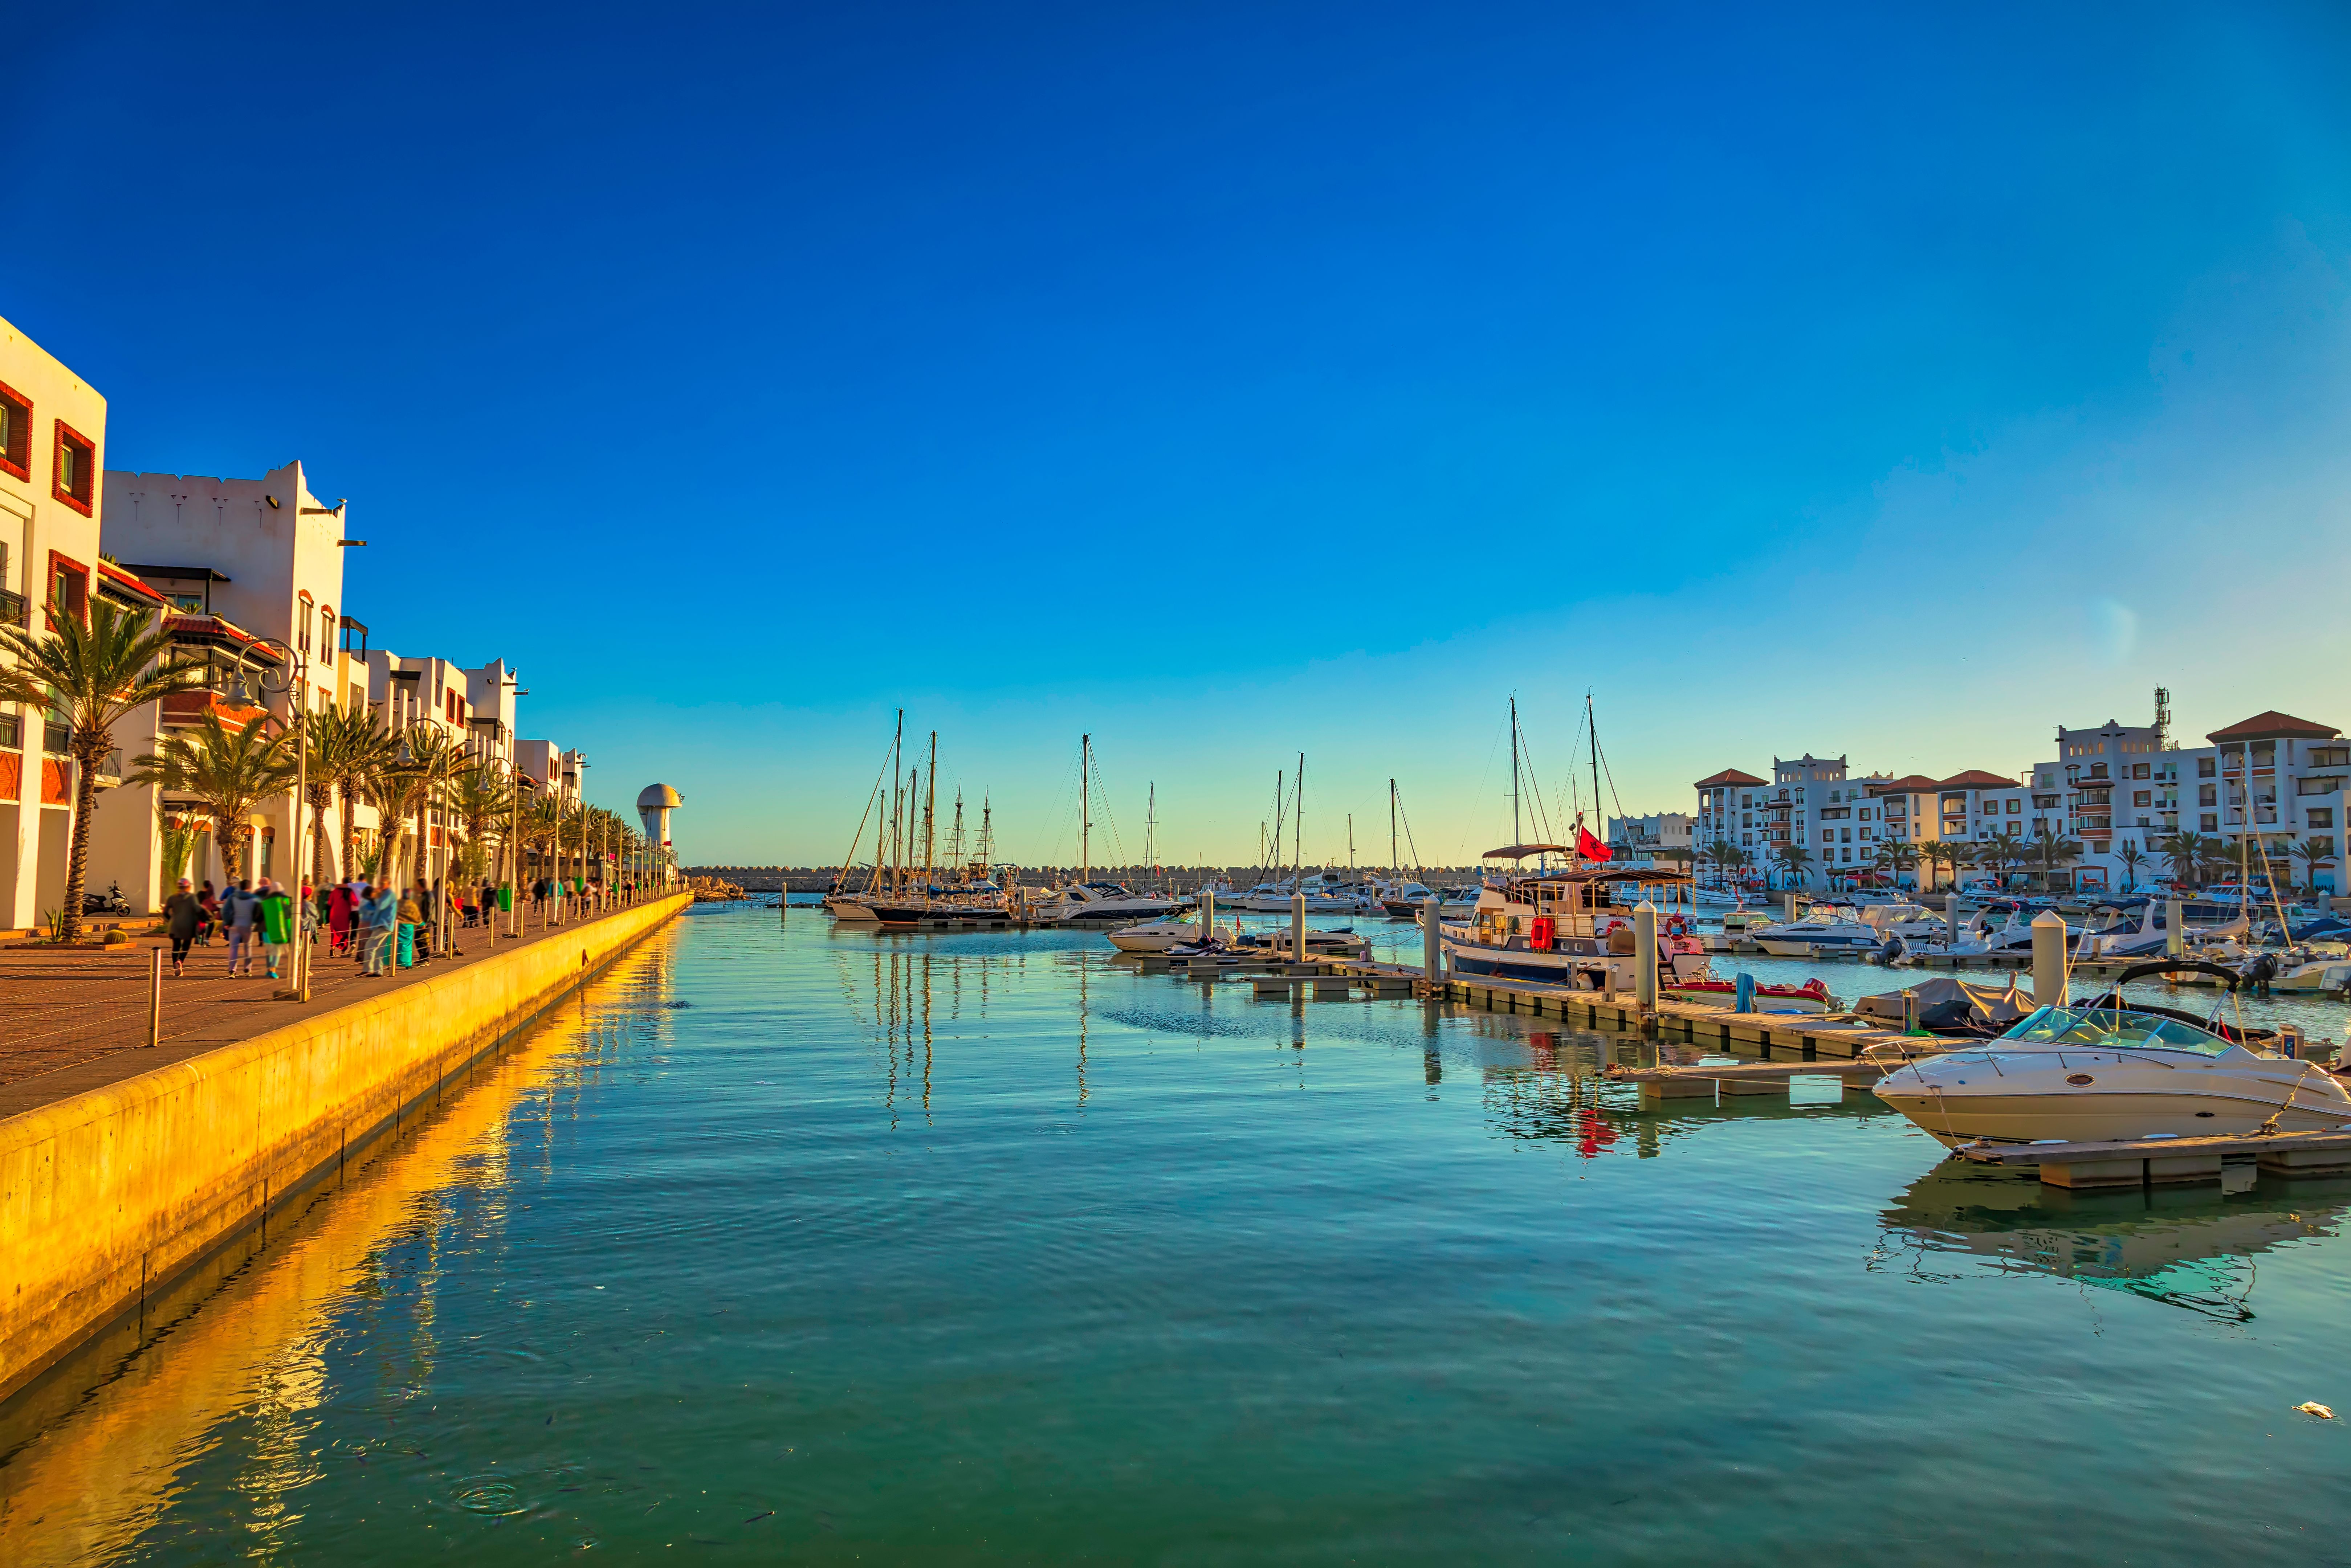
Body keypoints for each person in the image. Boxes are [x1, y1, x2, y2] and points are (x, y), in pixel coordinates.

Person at [161, 877, 202, 977]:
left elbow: (166, 912)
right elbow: (197, 910)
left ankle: (176, 966)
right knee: (186, 944)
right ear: (188, 887)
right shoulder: (192, 898)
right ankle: (180, 961)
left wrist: (171, 920)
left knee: (176, 945)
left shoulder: (172, 898)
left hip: (175, 925)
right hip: (188, 925)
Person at [257, 879, 296, 981]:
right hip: (280, 928)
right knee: (277, 950)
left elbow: (259, 916)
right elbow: (288, 915)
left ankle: (269, 969)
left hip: (266, 929)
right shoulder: (284, 900)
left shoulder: (265, 901)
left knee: (269, 950)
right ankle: (273, 970)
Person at [223, 878, 261, 977]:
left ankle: (233, 970)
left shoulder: (233, 897)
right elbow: (259, 912)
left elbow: (226, 911)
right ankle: (248, 969)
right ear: (249, 888)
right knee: (248, 947)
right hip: (247, 926)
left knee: (233, 948)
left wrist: (228, 922)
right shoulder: (254, 898)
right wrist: (255, 922)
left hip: (235, 925)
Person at [360, 883, 398, 976]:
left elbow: (373, 911)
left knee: (370, 947)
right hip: (385, 926)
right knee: (379, 949)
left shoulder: (382, 901)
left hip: (382, 926)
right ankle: (378, 971)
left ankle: (369, 969)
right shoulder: (387, 899)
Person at [396, 886, 424, 969]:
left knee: (397, 945)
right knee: (407, 945)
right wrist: (422, 924)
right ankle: (407, 964)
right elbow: (417, 917)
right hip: (408, 928)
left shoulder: (398, 903)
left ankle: (395, 962)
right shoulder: (412, 905)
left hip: (399, 926)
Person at [328, 880, 355, 956]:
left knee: (334, 933)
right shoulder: (350, 892)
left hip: (334, 914)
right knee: (344, 934)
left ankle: (333, 949)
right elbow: (354, 902)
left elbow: (330, 902)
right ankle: (343, 952)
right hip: (345, 916)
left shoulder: (335, 891)